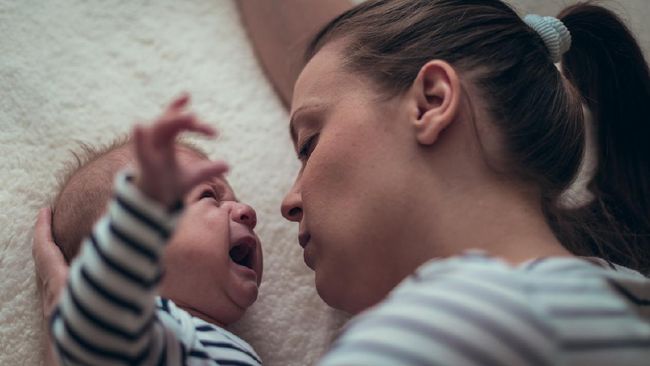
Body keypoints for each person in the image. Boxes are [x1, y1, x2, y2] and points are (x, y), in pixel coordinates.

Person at [36, 0, 650, 364]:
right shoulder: (616, 291)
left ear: (432, 101)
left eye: (308, 144)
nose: (283, 202)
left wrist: (75, 325)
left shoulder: (455, 322)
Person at [42, 95, 263, 365]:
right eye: (209, 196)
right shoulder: (152, 329)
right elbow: (89, 323)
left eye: (235, 201)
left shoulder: (211, 342)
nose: (246, 212)